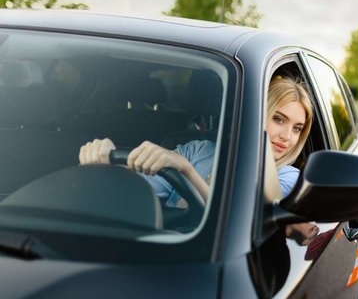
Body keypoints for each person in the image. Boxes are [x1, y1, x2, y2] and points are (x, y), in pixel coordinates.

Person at [79, 76, 314, 204]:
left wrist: (187, 170)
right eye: (278, 119)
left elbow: (268, 207)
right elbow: (139, 190)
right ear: (258, 112)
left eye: (297, 128)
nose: (287, 137)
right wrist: (106, 166)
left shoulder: (289, 177)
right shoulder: (199, 151)